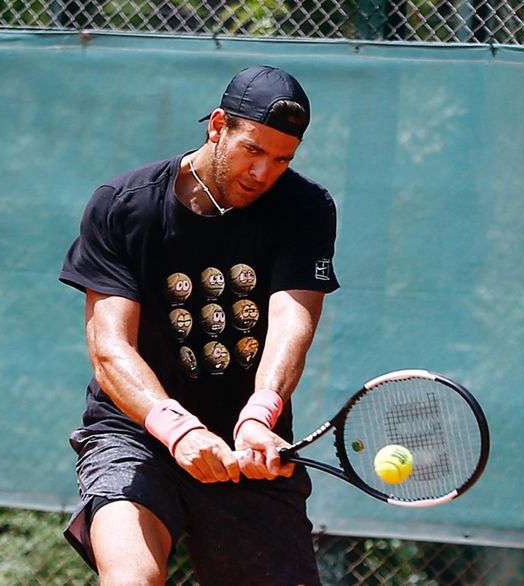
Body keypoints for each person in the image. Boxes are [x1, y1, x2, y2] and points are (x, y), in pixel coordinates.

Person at [58, 65, 339, 585]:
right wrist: (177, 429)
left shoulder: (305, 208)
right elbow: (109, 349)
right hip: (138, 432)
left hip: (250, 443)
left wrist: (260, 415)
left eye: (281, 159)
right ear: (217, 126)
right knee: (130, 578)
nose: (263, 173)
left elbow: (291, 326)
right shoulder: (124, 206)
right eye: (252, 150)